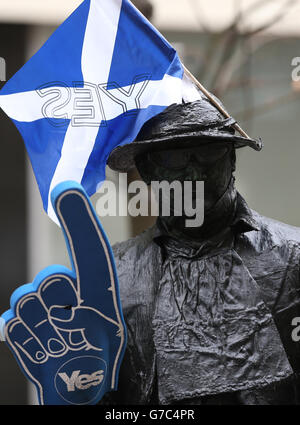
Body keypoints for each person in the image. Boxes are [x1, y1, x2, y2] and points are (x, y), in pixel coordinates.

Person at [102, 96, 300, 405]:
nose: (194, 177)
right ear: (148, 170)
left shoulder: (293, 257)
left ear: (231, 160)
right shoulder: (112, 275)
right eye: (174, 159)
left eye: (208, 154)